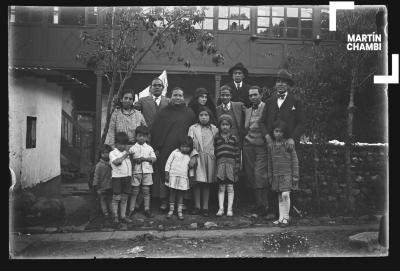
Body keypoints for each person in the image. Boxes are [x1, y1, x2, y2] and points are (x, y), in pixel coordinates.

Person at [150, 87, 197, 211]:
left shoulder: (189, 112)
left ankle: (182, 202)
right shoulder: (163, 112)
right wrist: (157, 148)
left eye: (180, 95)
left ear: (183, 98)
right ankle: (165, 200)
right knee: (166, 172)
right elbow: (156, 130)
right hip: (166, 147)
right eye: (175, 95)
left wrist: (191, 149)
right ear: (171, 97)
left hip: (184, 148)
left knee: (183, 173)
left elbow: (193, 131)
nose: (178, 97)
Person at [261, 69, 305, 150]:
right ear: (275, 84)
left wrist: (292, 138)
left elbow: (301, 123)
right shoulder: (269, 101)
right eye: (278, 81)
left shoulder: (296, 101)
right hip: (272, 144)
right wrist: (267, 136)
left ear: (288, 84)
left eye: (283, 82)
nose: (280, 84)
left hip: (290, 144)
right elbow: (262, 122)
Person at [242, 86, 269, 216]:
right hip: (248, 146)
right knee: (250, 175)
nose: (253, 97)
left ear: (261, 95)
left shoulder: (266, 107)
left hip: (261, 146)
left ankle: (265, 205)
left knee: (260, 174)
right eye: (250, 95)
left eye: (255, 95)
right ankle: (258, 204)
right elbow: (246, 128)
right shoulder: (247, 111)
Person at [267, 120, 299, 227]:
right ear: (273, 132)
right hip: (276, 175)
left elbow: (294, 161)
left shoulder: (288, 145)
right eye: (276, 131)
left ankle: (286, 217)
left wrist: (295, 176)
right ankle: (281, 218)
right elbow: (269, 163)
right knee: (280, 197)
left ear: (284, 133)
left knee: (285, 194)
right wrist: (270, 176)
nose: (278, 134)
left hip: (287, 174)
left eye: (281, 132)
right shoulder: (271, 146)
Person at [188, 106, 218, 217]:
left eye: (206, 115)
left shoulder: (214, 129)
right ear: (198, 117)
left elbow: (216, 144)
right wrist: (193, 156)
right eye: (201, 115)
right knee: (197, 182)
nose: (204, 117)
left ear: (210, 117)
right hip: (198, 157)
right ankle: (197, 206)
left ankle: (205, 207)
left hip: (209, 158)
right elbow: (190, 143)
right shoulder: (193, 128)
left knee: (206, 184)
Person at [214, 114, 241, 217]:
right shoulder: (217, 138)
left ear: (230, 126)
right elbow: (215, 152)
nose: (225, 126)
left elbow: (237, 153)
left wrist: (237, 166)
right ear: (220, 126)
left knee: (230, 187)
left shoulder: (234, 138)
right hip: (220, 165)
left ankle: (229, 209)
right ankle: (221, 208)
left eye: (227, 124)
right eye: (222, 124)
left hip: (231, 165)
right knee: (221, 187)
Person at [128, 126, 157, 219]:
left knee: (146, 191)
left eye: (144, 136)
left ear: (147, 137)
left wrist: (146, 159)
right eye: (140, 136)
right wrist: (135, 160)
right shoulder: (132, 148)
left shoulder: (149, 148)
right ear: (136, 136)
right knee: (135, 191)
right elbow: (129, 160)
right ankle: (131, 209)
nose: (142, 138)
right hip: (136, 172)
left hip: (147, 172)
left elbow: (154, 158)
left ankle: (147, 209)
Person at [164, 136, 195, 220]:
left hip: (183, 178)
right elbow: (168, 163)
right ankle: (171, 210)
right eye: (183, 146)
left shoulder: (189, 157)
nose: (185, 149)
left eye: (187, 147)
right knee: (172, 193)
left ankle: (179, 211)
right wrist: (167, 174)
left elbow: (191, 169)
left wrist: (191, 178)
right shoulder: (175, 153)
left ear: (190, 148)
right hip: (173, 176)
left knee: (181, 195)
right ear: (179, 146)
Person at [109, 132, 133, 224]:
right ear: (116, 144)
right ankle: (115, 216)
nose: (123, 146)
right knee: (116, 197)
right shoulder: (112, 153)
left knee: (125, 198)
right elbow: (117, 162)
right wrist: (125, 155)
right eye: (121, 144)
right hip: (117, 178)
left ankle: (123, 216)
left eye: (125, 144)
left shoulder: (126, 152)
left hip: (127, 177)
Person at [92, 144, 113, 219]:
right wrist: (96, 187)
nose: (106, 154)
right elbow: (96, 176)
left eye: (108, 152)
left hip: (111, 186)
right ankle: (106, 213)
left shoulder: (112, 163)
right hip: (102, 187)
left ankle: (112, 212)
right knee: (103, 200)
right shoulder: (99, 165)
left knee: (110, 200)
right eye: (103, 153)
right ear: (101, 154)